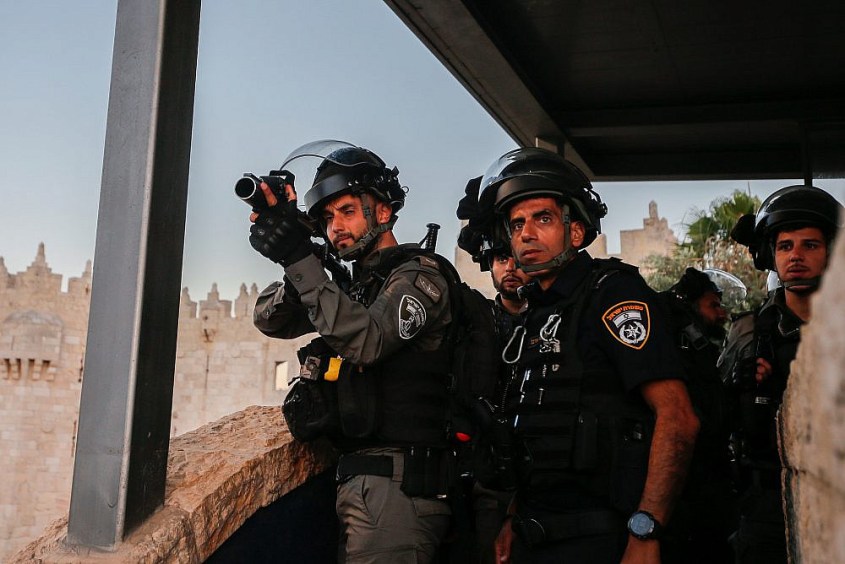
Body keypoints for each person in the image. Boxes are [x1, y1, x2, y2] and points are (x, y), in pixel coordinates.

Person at [475, 147, 699, 564]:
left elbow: (677, 416)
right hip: (535, 533)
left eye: (542, 219)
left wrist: (646, 529)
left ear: (575, 232)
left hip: (600, 537)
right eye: (517, 223)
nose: (526, 234)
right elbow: (535, 426)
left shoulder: (611, 294)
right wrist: (514, 517)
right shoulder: (535, 312)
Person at [248, 140, 454, 563]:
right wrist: (301, 260)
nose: (336, 226)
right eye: (327, 218)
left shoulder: (420, 277)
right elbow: (270, 320)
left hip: (398, 488)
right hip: (359, 483)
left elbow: (367, 341)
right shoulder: (354, 287)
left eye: (347, 211)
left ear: (383, 212)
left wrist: (301, 261)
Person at [719, 185, 843, 564]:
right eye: (785, 246)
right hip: (767, 509)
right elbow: (712, 425)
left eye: (810, 245)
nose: (796, 256)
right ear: (771, 255)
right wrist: (736, 392)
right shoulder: (748, 333)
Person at [457, 182, 532, 563]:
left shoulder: (550, 321)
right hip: (487, 473)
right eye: (501, 258)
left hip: (541, 473)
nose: (510, 268)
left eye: (516, 258)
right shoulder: (477, 321)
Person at [658, 268, 736, 563]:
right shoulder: (680, 348)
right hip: (694, 494)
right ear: (690, 306)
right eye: (713, 305)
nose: (721, 314)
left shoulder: (696, 349)